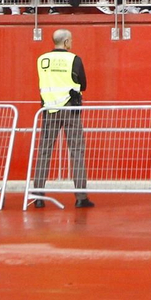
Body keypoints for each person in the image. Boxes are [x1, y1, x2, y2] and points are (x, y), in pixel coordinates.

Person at [31, 29, 93, 209]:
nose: (72, 43)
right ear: (66, 42)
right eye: (71, 40)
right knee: (76, 151)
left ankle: (38, 196)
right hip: (70, 109)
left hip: (49, 109)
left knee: (44, 152)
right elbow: (83, 84)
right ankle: (81, 197)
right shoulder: (74, 59)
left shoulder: (42, 60)